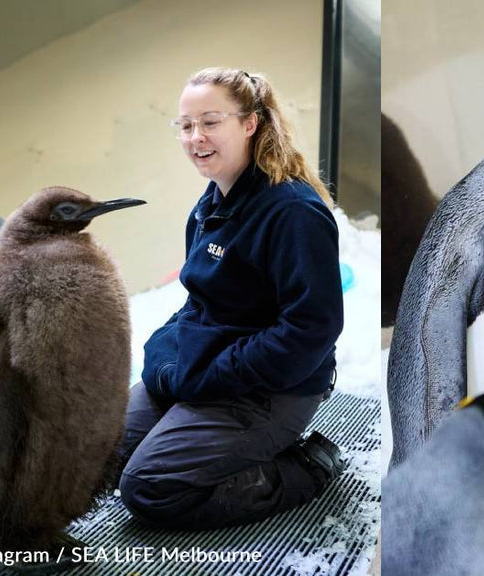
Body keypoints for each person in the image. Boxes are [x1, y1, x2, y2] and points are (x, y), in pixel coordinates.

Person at [117, 67, 346, 530]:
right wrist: (166, 357)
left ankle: (305, 467)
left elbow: (310, 330)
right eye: (185, 125)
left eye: (210, 121)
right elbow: (198, 304)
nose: (195, 136)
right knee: (98, 450)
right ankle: (209, 438)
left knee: (151, 486)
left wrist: (210, 376)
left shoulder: (292, 213)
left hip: (274, 387)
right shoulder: (211, 205)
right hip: (213, 373)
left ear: (250, 123)